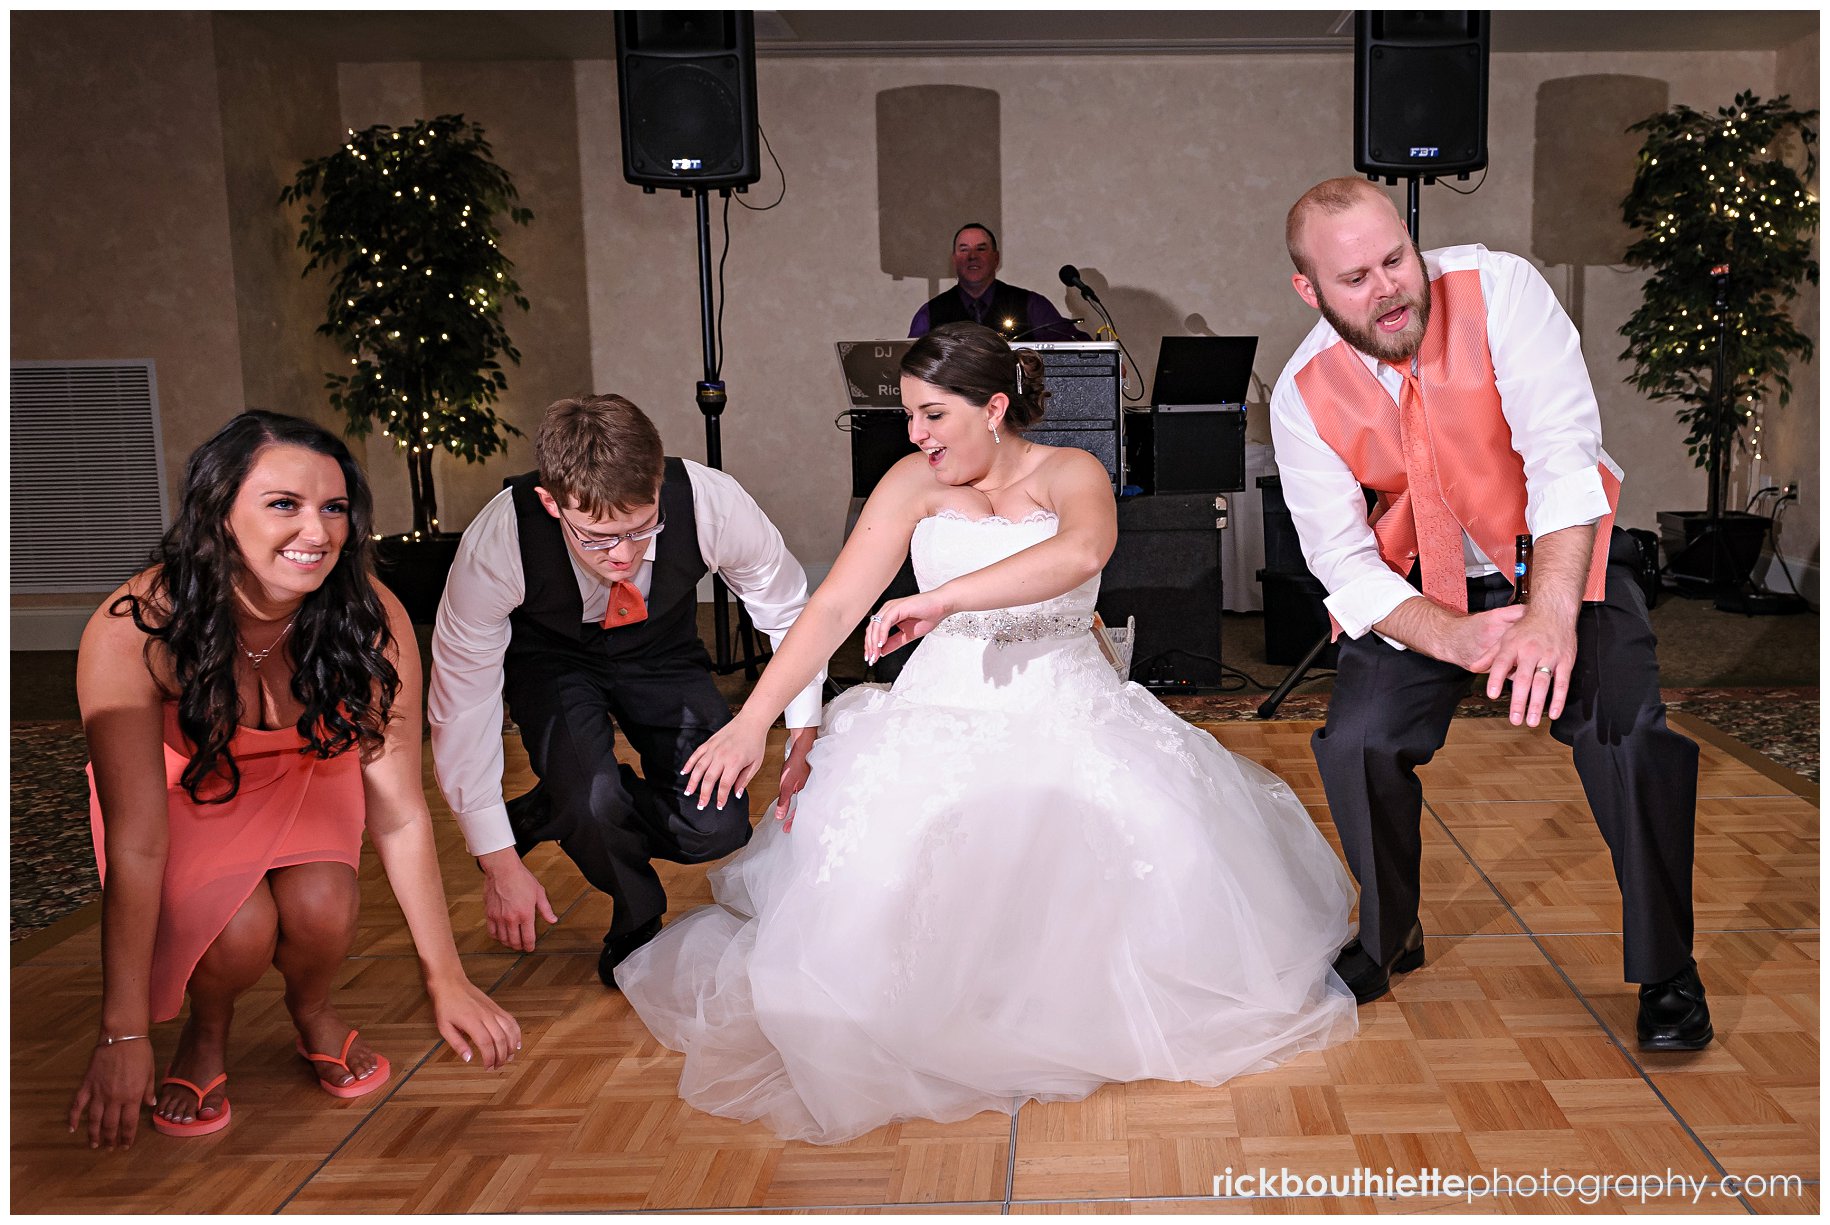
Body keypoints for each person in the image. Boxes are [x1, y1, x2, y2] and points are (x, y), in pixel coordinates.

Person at [614, 322, 1358, 1145]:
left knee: (1152, 850)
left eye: (933, 415)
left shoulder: (1072, 472)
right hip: (942, 707)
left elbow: (1081, 552)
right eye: (907, 415)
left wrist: (945, 598)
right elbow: (830, 607)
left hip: (1069, 703)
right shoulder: (910, 482)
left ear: (995, 407)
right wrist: (755, 720)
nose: (915, 434)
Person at [1269, 177, 1709, 1049]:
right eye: (1354, 278)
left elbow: (1563, 458)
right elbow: (1343, 562)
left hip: (1558, 549)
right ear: (1310, 291)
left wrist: (1549, 614)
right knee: (1357, 741)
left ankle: (1668, 967)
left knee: (1626, 730)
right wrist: (1451, 633)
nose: (1389, 287)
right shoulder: (1298, 393)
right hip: (1425, 584)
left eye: (1396, 258)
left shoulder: (1502, 288)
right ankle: (1389, 933)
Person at [67, 411, 521, 1150]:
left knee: (322, 908)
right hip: (185, 793)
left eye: (334, 507)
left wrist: (447, 977)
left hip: (306, 775)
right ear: (219, 512)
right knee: (238, 930)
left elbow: (402, 815)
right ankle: (205, 1031)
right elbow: (138, 844)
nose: (317, 530)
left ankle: (313, 1010)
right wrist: (120, 1033)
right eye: (284, 504)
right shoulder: (135, 627)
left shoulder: (370, 618)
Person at [428, 394, 822, 986]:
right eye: (596, 538)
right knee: (591, 801)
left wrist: (802, 729)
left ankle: (550, 804)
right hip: (554, 661)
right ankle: (636, 916)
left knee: (716, 825)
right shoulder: (500, 540)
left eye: (642, 529)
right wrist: (497, 857)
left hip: (662, 652)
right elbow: (462, 706)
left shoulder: (710, 500)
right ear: (551, 503)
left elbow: (792, 614)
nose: (625, 555)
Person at [908, 222, 1085, 341]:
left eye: (981, 249)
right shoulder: (931, 313)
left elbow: (1072, 348)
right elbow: (911, 366)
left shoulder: (1031, 305)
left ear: (996, 258)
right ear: (954, 260)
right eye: (964, 250)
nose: (972, 257)